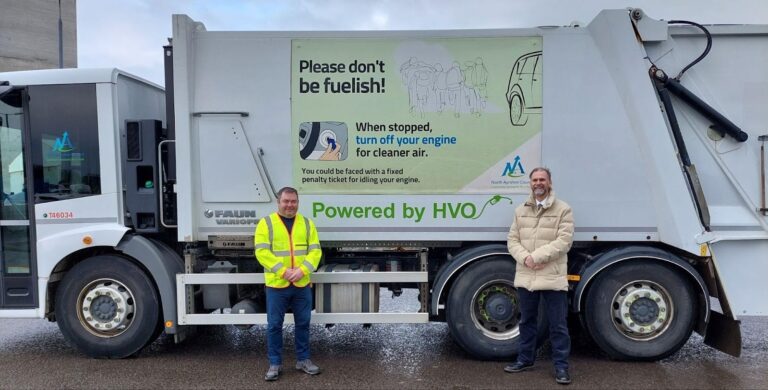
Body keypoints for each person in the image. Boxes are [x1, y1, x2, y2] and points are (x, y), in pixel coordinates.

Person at [505, 167, 574, 385]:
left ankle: (561, 367)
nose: (538, 183)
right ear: (530, 183)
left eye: (542, 179)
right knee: (527, 321)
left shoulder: (563, 209)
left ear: (549, 182)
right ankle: (525, 360)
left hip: (552, 275)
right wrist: (526, 258)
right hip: (527, 275)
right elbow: (512, 240)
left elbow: (564, 241)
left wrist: (536, 257)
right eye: (534, 179)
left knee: (558, 325)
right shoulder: (520, 210)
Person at [254, 186, 323, 381]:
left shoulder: (307, 224)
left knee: (303, 323)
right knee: (274, 325)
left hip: (301, 283)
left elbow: (315, 251)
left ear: (298, 203)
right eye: (286, 201)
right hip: (277, 284)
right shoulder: (266, 224)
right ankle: (274, 364)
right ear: (279, 202)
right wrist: (284, 272)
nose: (290, 205)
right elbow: (262, 252)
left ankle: (303, 360)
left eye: (293, 201)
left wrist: (302, 271)